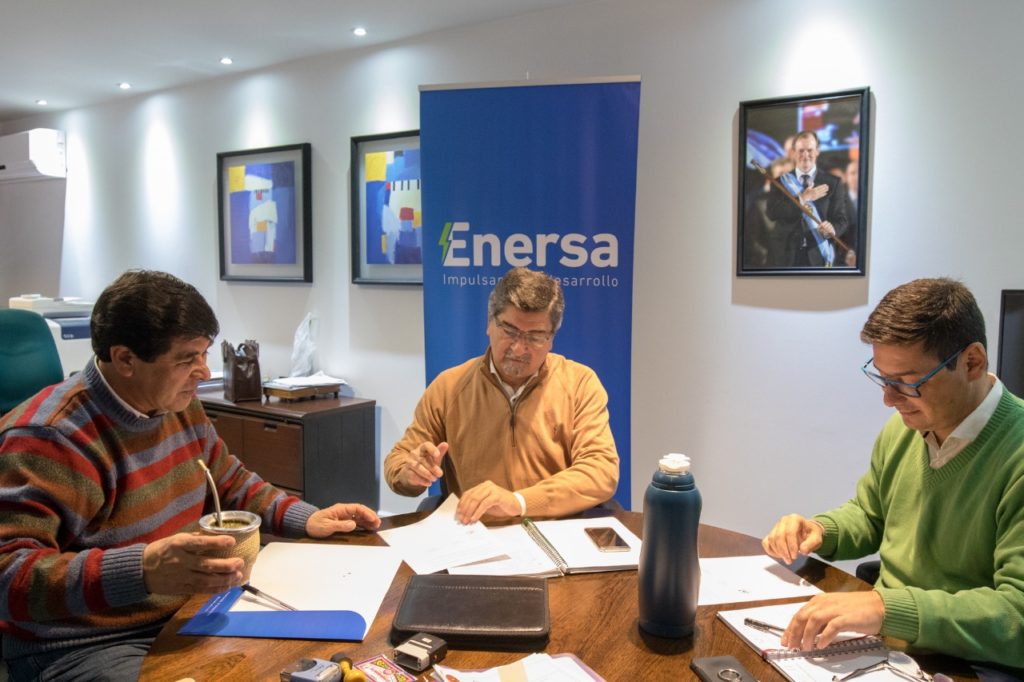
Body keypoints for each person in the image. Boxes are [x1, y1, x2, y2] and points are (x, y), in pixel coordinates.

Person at [0, 270, 380, 681]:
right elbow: (9, 575)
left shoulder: (176, 404)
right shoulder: (49, 437)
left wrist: (305, 517)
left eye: (205, 354)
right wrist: (143, 570)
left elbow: (228, 481)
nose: (203, 371)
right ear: (125, 359)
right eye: (187, 359)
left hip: (186, 611)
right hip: (85, 643)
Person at [762, 278, 1024, 674]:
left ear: (972, 362)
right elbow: (871, 514)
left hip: (970, 663)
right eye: (883, 378)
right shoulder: (905, 428)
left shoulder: (1015, 452)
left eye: (908, 382)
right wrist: (821, 530)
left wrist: (887, 609)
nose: (889, 399)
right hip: (892, 643)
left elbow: (1016, 616)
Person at [383, 267, 619, 524]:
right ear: (489, 323)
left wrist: (518, 502)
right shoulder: (449, 387)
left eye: (535, 337)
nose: (518, 348)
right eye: (509, 331)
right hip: (476, 533)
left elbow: (601, 471)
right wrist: (411, 472)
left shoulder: (579, 384)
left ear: (551, 338)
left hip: (553, 533)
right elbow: (398, 461)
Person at [766, 130, 849, 267]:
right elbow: (772, 213)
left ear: (817, 151)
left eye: (810, 150)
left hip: (818, 255)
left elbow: (841, 220)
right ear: (793, 152)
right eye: (801, 151)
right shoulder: (780, 182)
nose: (805, 155)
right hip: (785, 256)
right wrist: (803, 198)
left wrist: (832, 229)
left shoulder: (833, 183)